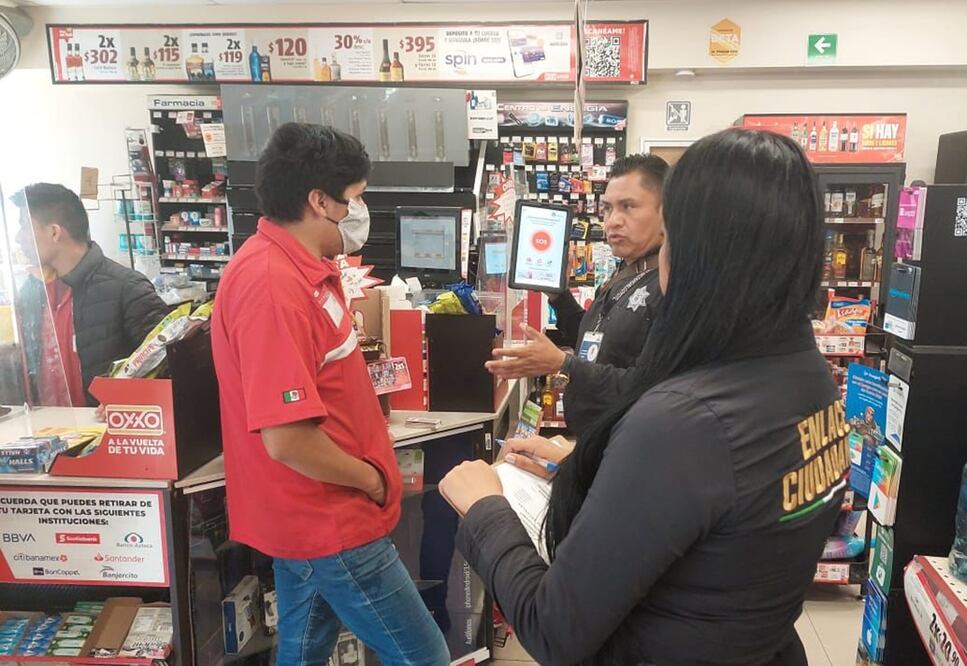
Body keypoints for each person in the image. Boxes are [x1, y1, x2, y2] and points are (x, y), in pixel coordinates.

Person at [440, 129, 847, 665]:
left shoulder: (683, 422)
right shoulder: (808, 375)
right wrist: (589, 466)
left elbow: (554, 627)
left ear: (699, 251)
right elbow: (721, 515)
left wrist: (485, 508)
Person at [210, 123, 448, 666]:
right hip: (330, 519)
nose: (360, 212)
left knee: (303, 651)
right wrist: (372, 480)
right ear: (319, 201)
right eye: (354, 199)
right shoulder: (272, 286)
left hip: (316, 519)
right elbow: (287, 438)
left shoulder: (302, 269)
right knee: (424, 656)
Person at [486, 154, 667, 431]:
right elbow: (594, 345)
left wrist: (564, 364)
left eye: (628, 207)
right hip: (593, 442)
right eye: (607, 208)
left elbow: (650, 387)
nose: (613, 221)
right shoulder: (626, 272)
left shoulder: (668, 285)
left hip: (626, 443)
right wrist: (559, 297)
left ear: (666, 212)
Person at [12, 183, 168, 407]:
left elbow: (167, 363)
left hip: (102, 426)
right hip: (43, 425)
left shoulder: (126, 288)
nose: (18, 238)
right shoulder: (31, 292)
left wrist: (126, 398)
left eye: (25, 227)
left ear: (54, 232)